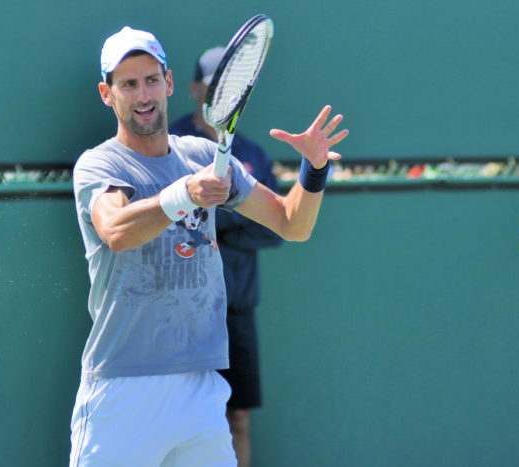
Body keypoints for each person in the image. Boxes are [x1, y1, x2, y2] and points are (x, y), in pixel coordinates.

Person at [70, 26, 348, 467]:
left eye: (151, 80)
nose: (143, 94)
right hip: (125, 386)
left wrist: (313, 170)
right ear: (108, 93)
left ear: (170, 83)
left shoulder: (202, 155)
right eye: (128, 84)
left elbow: (291, 223)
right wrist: (186, 195)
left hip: (201, 387)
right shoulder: (100, 164)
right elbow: (117, 231)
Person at [169, 46, 282, 467]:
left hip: (236, 308)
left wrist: (212, 216)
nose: (224, 93)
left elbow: (275, 227)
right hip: (179, 312)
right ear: (196, 88)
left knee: (236, 421)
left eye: (234, 86)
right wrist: (229, 211)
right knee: (177, 422)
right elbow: (170, 221)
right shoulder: (170, 146)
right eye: (215, 84)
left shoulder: (252, 155)